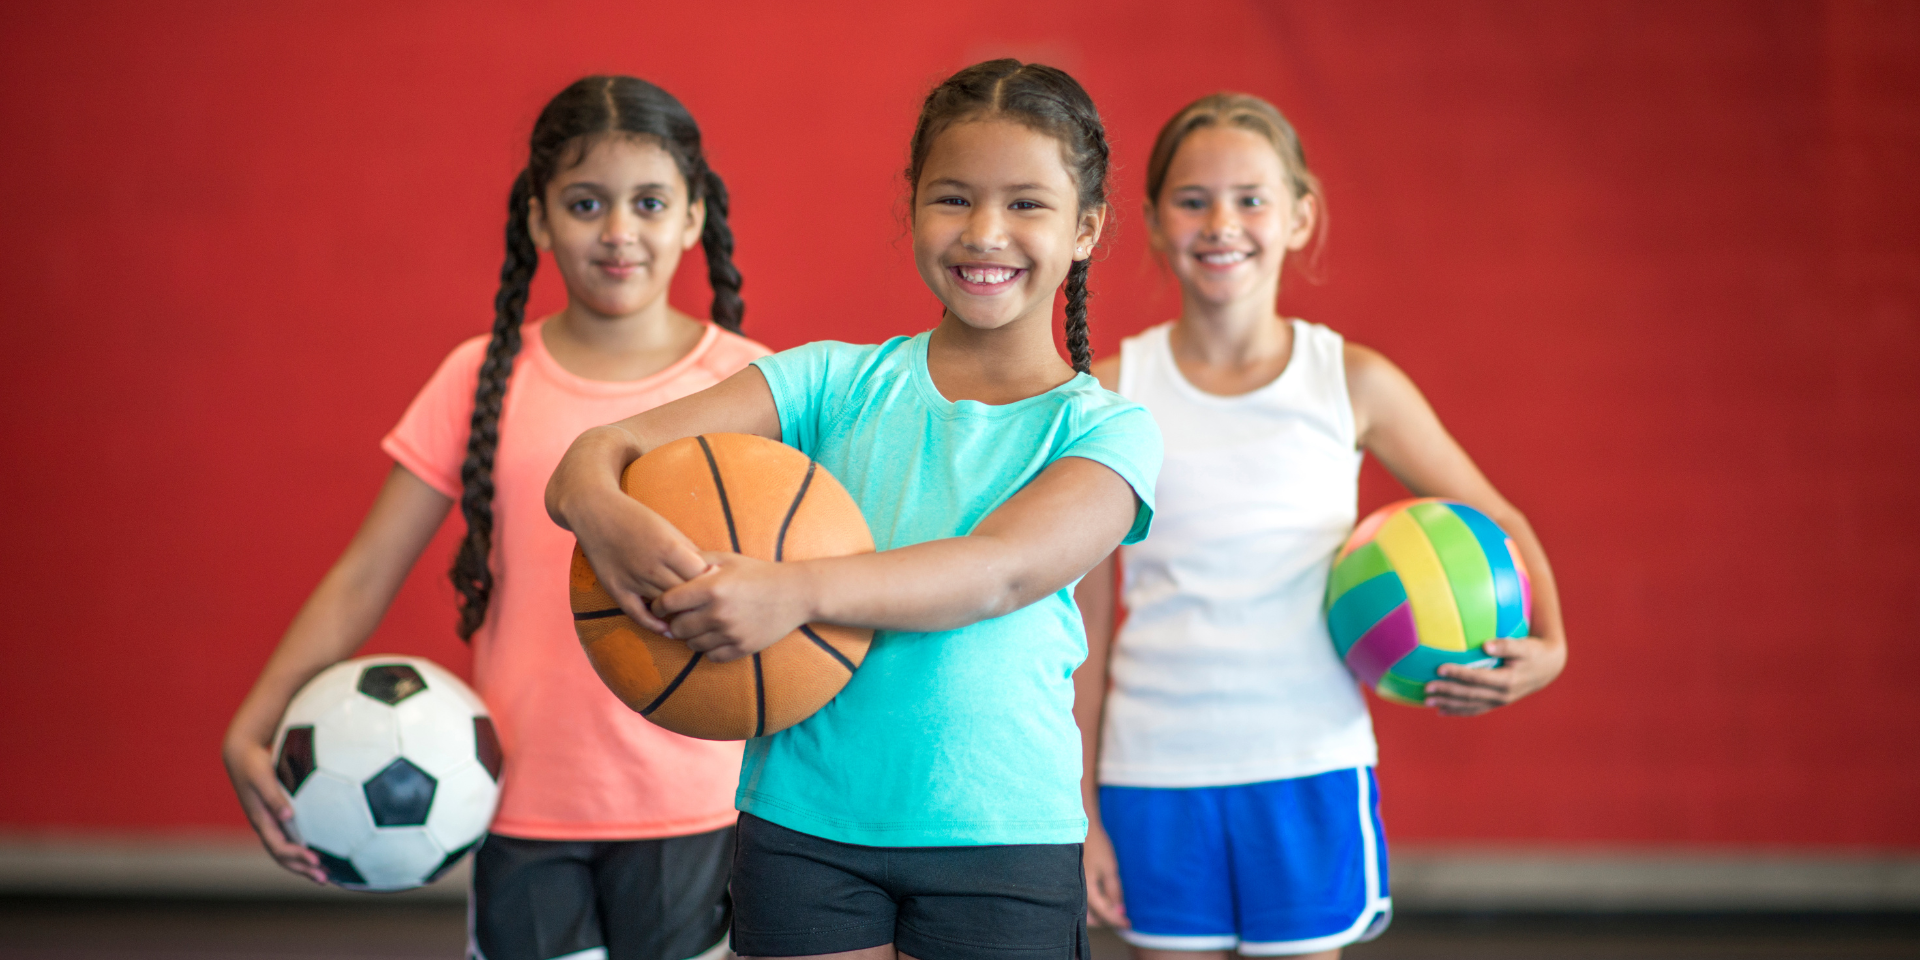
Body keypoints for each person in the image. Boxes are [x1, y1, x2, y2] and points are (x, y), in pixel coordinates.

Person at [545, 59, 1163, 960]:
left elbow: (998, 572)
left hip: (1001, 836)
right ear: (913, 207)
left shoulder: (1107, 429)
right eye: (954, 198)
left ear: (1086, 229)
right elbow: (596, 455)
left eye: (1026, 203)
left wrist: (794, 593)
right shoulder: (829, 380)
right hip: (804, 830)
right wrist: (606, 511)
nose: (985, 231)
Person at [222, 75, 766, 960]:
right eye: (585, 204)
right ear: (540, 220)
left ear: (695, 216)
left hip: (702, 805)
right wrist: (257, 717)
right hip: (521, 807)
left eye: (649, 202)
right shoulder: (480, 376)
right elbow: (365, 573)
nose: (618, 231)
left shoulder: (751, 384)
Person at [1074, 93, 1568, 959]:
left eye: (1251, 199)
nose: (1222, 223)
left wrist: (1551, 647)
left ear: (1300, 216)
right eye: (1192, 200)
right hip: (1154, 773)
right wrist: (1080, 807)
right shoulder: (1113, 393)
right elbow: (1084, 623)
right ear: (1152, 222)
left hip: (1309, 768)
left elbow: (1499, 517)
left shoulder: (1352, 381)